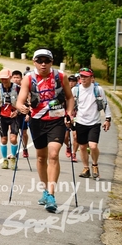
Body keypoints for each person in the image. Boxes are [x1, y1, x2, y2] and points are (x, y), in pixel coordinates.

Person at [16, 48, 74, 213]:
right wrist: (21, 108)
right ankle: (45, 190)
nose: (43, 64)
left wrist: (69, 113)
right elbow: (20, 101)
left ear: (51, 62)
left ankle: (51, 195)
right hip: (37, 121)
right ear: (34, 62)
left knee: (53, 154)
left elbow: (69, 97)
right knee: (41, 157)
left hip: (57, 120)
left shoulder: (60, 76)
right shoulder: (29, 78)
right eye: (40, 61)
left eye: (46, 61)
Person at [72, 68, 111, 180]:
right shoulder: (76, 90)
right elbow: (71, 104)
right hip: (80, 121)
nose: (83, 79)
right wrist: (69, 116)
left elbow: (105, 104)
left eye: (86, 76)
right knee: (83, 146)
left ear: (92, 78)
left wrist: (108, 119)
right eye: (81, 76)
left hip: (94, 122)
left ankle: (94, 165)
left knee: (93, 146)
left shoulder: (98, 89)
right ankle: (86, 168)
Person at [0, 69, 20, 169]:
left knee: (13, 138)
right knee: (4, 139)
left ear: (10, 77)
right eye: (2, 79)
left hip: (14, 116)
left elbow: (23, 101)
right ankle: (4, 160)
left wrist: (17, 111)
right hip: (2, 116)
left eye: (6, 79)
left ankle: (13, 158)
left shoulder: (17, 88)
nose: (4, 81)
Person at [12, 69, 30, 159]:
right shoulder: (10, 88)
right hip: (13, 113)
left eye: (18, 77)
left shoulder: (24, 88)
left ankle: (25, 147)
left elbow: (29, 101)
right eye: (14, 77)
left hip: (23, 113)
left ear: (21, 78)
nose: (16, 79)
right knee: (13, 133)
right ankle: (14, 152)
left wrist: (28, 114)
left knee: (24, 133)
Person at [64, 74, 79, 162]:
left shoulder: (78, 91)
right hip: (66, 116)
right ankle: (68, 146)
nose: (71, 83)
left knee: (76, 136)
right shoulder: (63, 91)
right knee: (65, 137)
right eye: (69, 81)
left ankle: (74, 153)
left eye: (73, 81)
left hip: (76, 116)